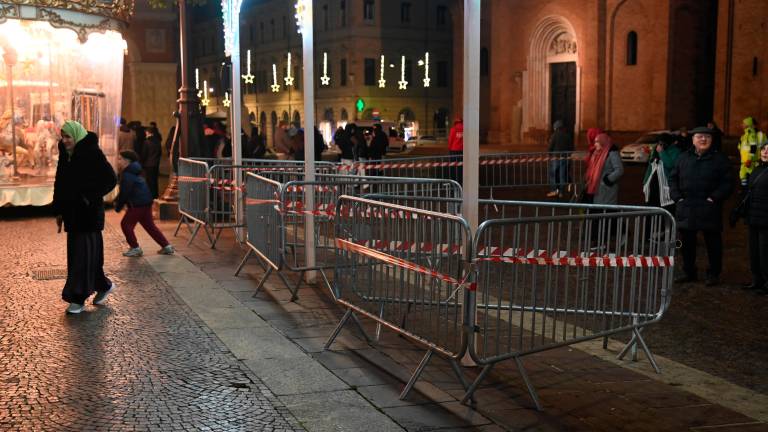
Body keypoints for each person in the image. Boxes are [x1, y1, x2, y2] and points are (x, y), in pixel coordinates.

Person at [53, 120, 118, 314]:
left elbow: (111, 179)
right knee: (83, 256)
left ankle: (78, 297)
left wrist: (88, 196)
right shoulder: (66, 155)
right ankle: (104, 285)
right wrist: (59, 209)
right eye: (63, 137)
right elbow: (60, 182)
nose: (65, 141)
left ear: (76, 136)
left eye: (68, 137)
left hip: (88, 216)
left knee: (83, 257)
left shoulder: (91, 152)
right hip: (73, 215)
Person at [670, 126, 734, 286]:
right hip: (687, 207)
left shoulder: (720, 159)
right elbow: (673, 179)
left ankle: (713, 274)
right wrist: (677, 198)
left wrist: (714, 198)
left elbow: (728, 183)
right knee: (686, 244)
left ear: (712, 140)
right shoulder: (683, 157)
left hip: (709, 208)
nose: (703, 139)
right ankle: (689, 272)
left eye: (707, 137)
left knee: (713, 244)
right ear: (693, 139)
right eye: (699, 136)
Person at [115, 150, 174, 258]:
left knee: (126, 224)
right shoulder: (134, 170)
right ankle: (166, 246)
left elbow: (125, 191)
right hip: (145, 202)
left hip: (138, 204)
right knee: (150, 226)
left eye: (120, 159)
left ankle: (135, 248)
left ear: (126, 161)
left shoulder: (128, 173)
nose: (118, 161)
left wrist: (118, 206)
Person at [743, 141, 768, 294]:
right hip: (754, 217)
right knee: (755, 251)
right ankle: (757, 280)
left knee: (766, 252)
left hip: (766, 219)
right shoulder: (757, 169)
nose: (765, 152)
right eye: (764, 149)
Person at [642, 133, 681, 213]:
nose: (660, 144)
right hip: (653, 185)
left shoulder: (675, 151)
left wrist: (662, 152)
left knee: (665, 210)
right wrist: (645, 181)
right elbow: (650, 166)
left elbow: (670, 164)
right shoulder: (655, 149)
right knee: (651, 209)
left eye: (662, 142)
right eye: (659, 142)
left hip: (665, 186)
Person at [583, 133, 623, 205]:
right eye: (595, 142)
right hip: (596, 189)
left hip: (606, 190)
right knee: (596, 211)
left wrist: (607, 180)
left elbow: (619, 170)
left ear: (603, 142)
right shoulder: (597, 153)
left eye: (597, 142)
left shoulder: (612, 152)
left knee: (606, 212)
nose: (595, 144)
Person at [547, 120, 574, 198]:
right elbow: (571, 148)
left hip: (556, 158)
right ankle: (561, 192)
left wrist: (549, 155)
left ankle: (554, 191)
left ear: (555, 128)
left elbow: (550, 147)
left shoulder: (554, 135)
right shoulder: (567, 136)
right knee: (562, 175)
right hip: (565, 158)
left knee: (553, 175)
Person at [738, 117, 767, 187]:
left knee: (752, 181)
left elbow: (754, 147)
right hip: (746, 162)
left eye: (743, 123)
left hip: (752, 163)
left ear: (749, 125)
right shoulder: (744, 136)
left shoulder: (752, 134)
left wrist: (749, 159)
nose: (741, 125)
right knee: (745, 180)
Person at [141, 127, 162, 199]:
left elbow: (144, 154)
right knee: (155, 180)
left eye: (146, 132)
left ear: (148, 133)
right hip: (155, 164)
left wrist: (142, 162)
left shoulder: (146, 142)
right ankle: (155, 194)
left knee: (149, 181)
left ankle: (150, 195)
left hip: (148, 164)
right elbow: (160, 152)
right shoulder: (158, 141)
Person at [448, 118, 464, 182]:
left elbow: (450, 140)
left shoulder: (453, 129)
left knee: (453, 166)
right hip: (462, 150)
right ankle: (460, 179)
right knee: (461, 166)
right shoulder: (465, 129)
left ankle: (454, 180)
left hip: (453, 150)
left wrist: (449, 148)